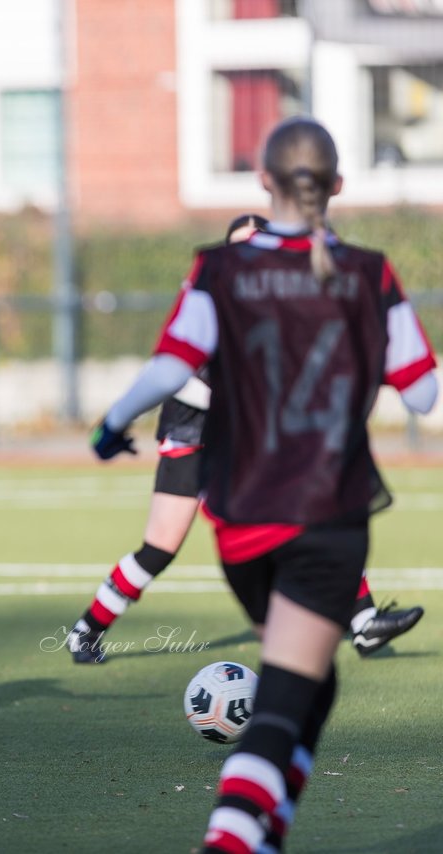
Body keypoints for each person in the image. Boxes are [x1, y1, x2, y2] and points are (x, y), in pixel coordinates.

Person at [90, 117, 437, 853]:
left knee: (307, 681)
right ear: (337, 186)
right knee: (292, 690)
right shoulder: (369, 272)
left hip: (243, 520)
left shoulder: (216, 269)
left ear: (263, 182)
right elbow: (422, 394)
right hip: (330, 510)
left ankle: (261, 836)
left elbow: (166, 364)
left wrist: (113, 422)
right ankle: (234, 837)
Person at [69, 213, 424, 664]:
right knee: (160, 546)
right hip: (193, 429)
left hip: (246, 436)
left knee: (312, 513)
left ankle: (363, 622)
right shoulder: (215, 289)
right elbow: (177, 372)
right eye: (241, 243)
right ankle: (87, 628)